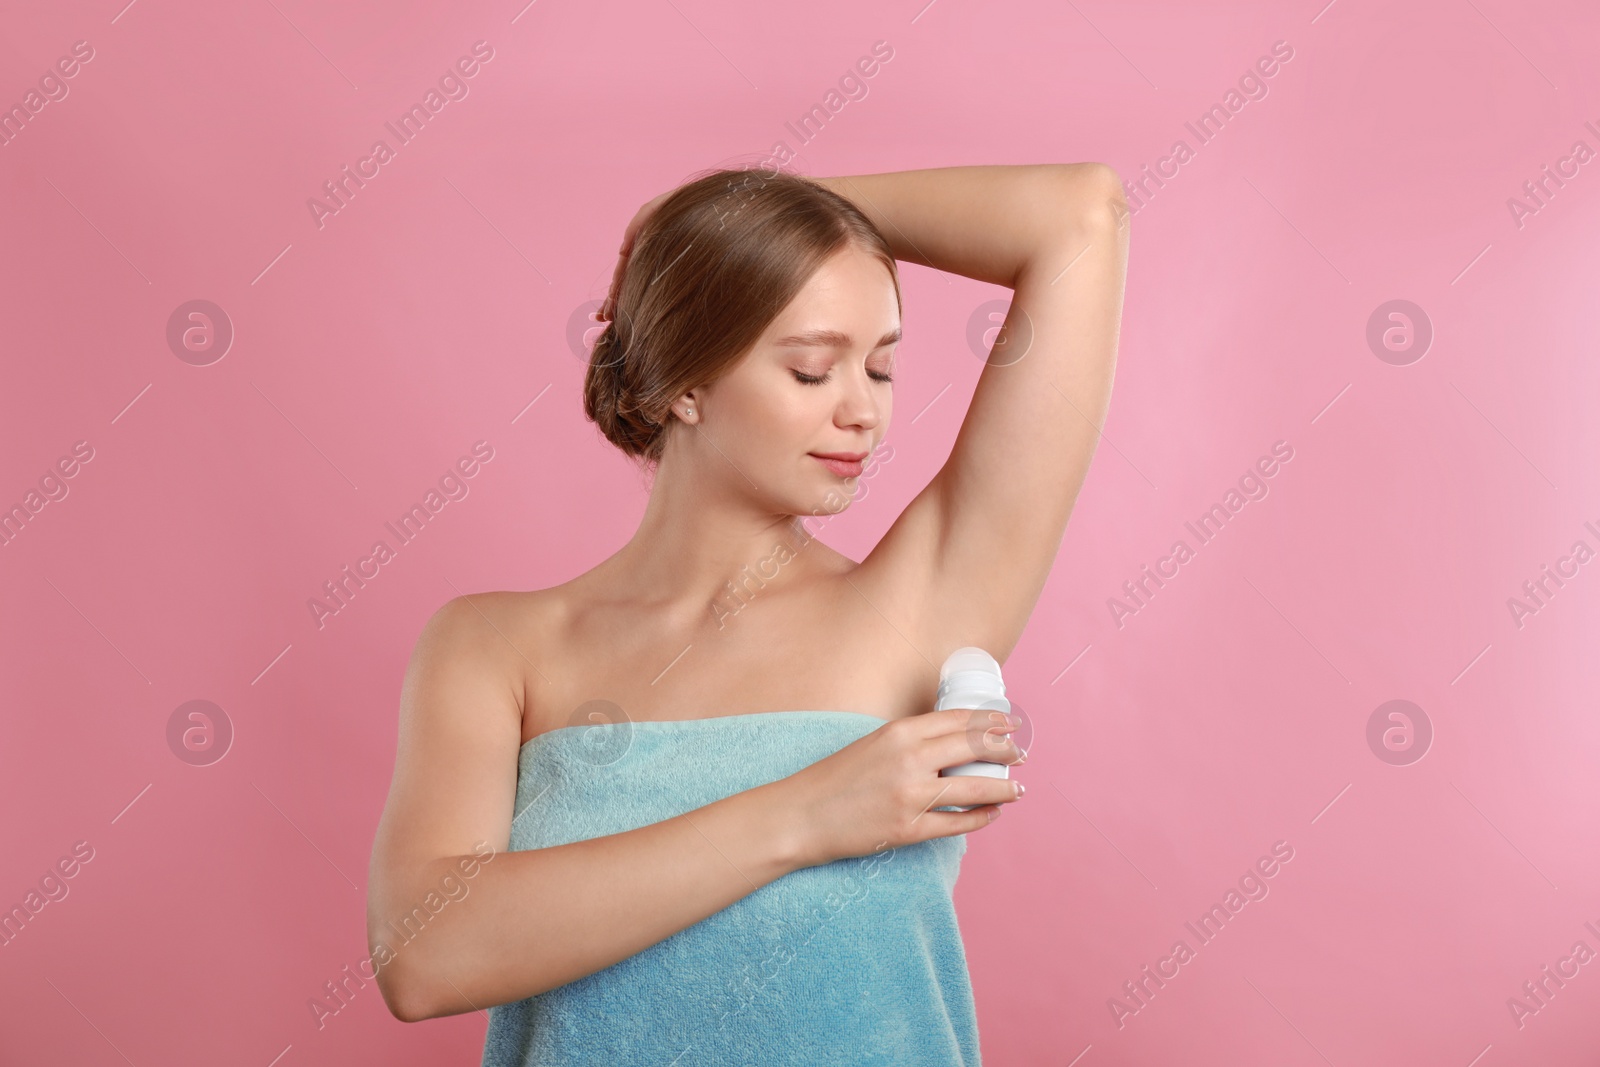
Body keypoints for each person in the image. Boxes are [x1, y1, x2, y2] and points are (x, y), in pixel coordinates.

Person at [366, 162, 1130, 1063]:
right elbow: (422, 956)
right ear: (686, 384)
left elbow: (1083, 216)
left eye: (881, 367)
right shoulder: (494, 647)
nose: (865, 413)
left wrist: (728, 220)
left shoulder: (918, 606)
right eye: (812, 370)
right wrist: (810, 814)